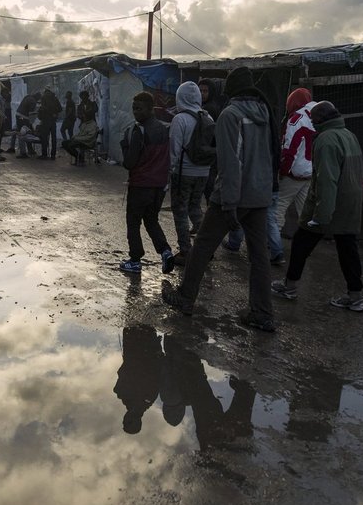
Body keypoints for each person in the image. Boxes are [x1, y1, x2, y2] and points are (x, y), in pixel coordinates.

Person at [161, 67, 275, 332]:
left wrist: (230, 201)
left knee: (201, 246)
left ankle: (186, 298)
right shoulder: (265, 114)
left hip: (233, 195)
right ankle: (262, 313)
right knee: (259, 256)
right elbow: (270, 155)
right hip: (260, 194)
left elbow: (230, 163)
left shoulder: (229, 115)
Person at [271, 101, 363, 312]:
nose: (312, 124)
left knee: (301, 243)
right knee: (348, 249)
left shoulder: (326, 140)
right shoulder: (349, 135)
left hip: (329, 204)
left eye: (314, 121)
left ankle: (290, 286)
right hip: (350, 202)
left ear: (321, 120)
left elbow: (327, 181)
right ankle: (356, 296)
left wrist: (321, 215)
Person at [118, 92, 175, 275]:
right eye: (134, 108)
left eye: (139, 108)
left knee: (133, 222)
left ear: (150, 109)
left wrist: (124, 146)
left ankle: (135, 260)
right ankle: (165, 251)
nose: (136, 112)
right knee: (151, 221)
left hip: (141, 184)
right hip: (159, 186)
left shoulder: (138, 131)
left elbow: (129, 162)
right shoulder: (163, 129)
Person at [168, 81, 214, 266]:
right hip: (204, 171)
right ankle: (206, 249)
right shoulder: (208, 117)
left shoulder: (180, 119)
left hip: (184, 172)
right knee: (195, 208)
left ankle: (186, 251)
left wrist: (168, 173)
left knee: (180, 211)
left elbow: (174, 150)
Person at [275, 87, 318, 234]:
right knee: (305, 213)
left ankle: (273, 245)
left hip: (293, 174)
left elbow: (290, 150)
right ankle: (305, 246)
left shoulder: (296, 120)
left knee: (278, 207)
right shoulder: (319, 117)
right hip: (310, 173)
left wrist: (282, 171)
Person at [36, 87, 62, 159]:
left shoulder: (44, 97)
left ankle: (44, 154)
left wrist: (46, 113)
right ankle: (53, 155)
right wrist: (54, 113)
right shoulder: (55, 98)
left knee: (44, 137)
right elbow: (60, 109)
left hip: (45, 120)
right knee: (53, 138)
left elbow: (43, 108)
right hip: (53, 121)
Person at [12, 92, 39, 157]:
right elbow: (31, 111)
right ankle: (23, 152)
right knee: (22, 133)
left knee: (25, 132)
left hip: (19, 115)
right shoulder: (33, 101)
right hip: (23, 117)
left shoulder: (27, 96)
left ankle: (29, 150)